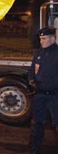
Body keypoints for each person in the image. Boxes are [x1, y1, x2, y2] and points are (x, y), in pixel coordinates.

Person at [28, 26, 58, 154]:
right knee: (37, 124)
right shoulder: (39, 52)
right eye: (40, 39)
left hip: (54, 96)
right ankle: (35, 150)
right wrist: (31, 80)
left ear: (53, 38)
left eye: (44, 38)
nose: (41, 41)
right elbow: (31, 69)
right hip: (39, 95)